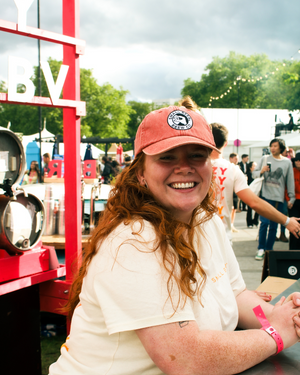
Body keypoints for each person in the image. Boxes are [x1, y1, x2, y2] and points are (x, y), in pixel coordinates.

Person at [49, 104, 300, 375]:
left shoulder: (207, 221)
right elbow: (186, 359)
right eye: (167, 157)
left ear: (210, 164)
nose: (184, 168)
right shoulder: (132, 243)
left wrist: (275, 316)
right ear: (141, 172)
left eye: (196, 155)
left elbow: (235, 294)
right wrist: (277, 334)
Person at [210, 123, 300, 250]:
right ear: (225, 143)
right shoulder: (232, 170)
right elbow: (254, 202)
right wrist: (286, 221)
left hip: (194, 240)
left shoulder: (192, 168)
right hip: (222, 240)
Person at [253, 138, 296, 260]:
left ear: (281, 148)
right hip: (265, 197)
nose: (273, 148)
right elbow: (254, 174)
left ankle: (269, 250)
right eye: (271, 146)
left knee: (273, 226)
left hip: (278, 199)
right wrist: (261, 171)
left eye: (275, 146)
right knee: (264, 223)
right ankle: (261, 248)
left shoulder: (287, 163)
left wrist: (291, 198)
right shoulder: (265, 159)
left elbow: (290, 181)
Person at [287, 153, 300, 250]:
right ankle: (293, 250)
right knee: (294, 226)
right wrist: (288, 199)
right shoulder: (291, 171)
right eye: (296, 161)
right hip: (293, 202)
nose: (298, 162)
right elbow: (286, 186)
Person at [229, 152, 240, 233]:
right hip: (230, 190)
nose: (237, 160)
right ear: (231, 159)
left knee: (234, 209)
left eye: (237, 158)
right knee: (231, 208)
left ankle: (232, 224)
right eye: (235, 158)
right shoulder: (228, 167)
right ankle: (229, 225)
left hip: (236, 191)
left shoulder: (237, 167)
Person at [246, 161, 259, 228]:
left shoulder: (258, 174)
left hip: (257, 193)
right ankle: (249, 222)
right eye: (254, 166)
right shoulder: (247, 174)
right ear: (250, 167)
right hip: (249, 193)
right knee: (250, 208)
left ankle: (255, 221)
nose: (256, 167)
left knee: (258, 208)